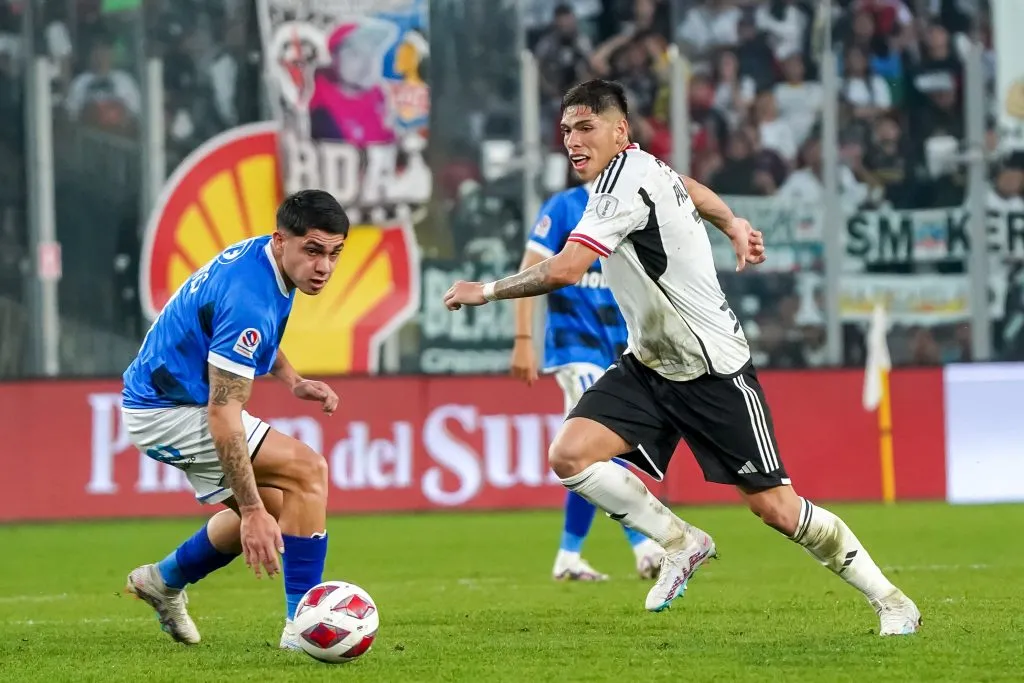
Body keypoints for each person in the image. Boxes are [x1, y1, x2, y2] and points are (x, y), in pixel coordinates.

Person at [444, 79, 921, 635]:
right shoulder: (641, 169)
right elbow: (691, 188)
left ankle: (891, 601)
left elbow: (566, 269)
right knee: (570, 454)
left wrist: (488, 290)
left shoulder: (620, 187)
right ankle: (680, 542)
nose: (572, 140)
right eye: (566, 130)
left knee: (776, 509)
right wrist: (733, 223)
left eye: (586, 127)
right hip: (649, 364)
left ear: (620, 131)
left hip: (712, 369)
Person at [121, 189, 349, 649]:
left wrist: (291, 379)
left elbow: (252, 333)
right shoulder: (250, 295)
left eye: (335, 253)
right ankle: (302, 629)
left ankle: (161, 581)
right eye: (314, 250)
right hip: (167, 412)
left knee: (288, 512)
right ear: (282, 240)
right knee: (308, 471)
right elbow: (223, 413)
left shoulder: (265, 262)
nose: (324, 266)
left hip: (165, 404)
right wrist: (248, 511)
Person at [512, 181, 665, 581]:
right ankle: (646, 548)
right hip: (574, 349)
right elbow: (531, 270)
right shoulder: (564, 206)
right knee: (598, 446)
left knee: (588, 455)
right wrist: (524, 339)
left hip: (620, 348)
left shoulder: (631, 205)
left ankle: (568, 557)